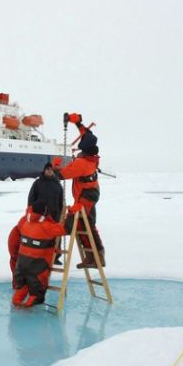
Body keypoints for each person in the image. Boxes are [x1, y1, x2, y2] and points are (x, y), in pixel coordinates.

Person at [52, 112, 105, 269]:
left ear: (83, 149)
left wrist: (55, 165)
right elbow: (88, 135)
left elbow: (61, 175)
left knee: (71, 225)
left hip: (85, 198)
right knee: (87, 225)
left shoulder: (82, 163)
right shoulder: (92, 157)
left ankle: (55, 254)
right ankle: (94, 257)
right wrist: (78, 123)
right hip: (90, 194)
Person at [12, 200, 67, 307]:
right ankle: (30, 315)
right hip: (37, 267)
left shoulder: (24, 222)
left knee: (20, 291)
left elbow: (23, 222)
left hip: (21, 265)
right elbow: (64, 229)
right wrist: (71, 215)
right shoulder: (47, 227)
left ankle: (17, 310)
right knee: (37, 295)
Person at [28, 162, 65, 264]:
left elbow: (61, 201)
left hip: (55, 215)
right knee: (41, 236)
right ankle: (40, 256)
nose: (49, 171)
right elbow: (31, 199)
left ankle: (55, 257)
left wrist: (62, 214)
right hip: (41, 216)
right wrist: (31, 213)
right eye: (48, 169)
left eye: (51, 169)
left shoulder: (57, 184)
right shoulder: (38, 183)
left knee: (55, 236)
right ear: (44, 170)